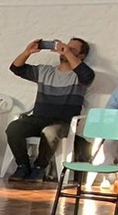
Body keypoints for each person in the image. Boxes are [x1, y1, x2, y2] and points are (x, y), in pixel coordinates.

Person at [6, 37, 96, 181]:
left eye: (72, 49)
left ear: (81, 56)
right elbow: (16, 68)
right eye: (66, 46)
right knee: (14, 128)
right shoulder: (45, 71)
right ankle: (23, 166)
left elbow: (88, 76)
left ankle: (39, 168)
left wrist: (67, 53)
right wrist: (27, 52)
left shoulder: (80, 77)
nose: (66, 49)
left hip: (63, 123)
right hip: (38, 119)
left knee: (50, 132)